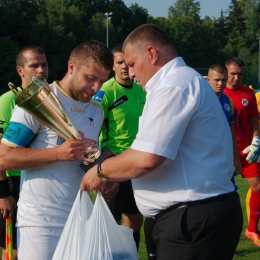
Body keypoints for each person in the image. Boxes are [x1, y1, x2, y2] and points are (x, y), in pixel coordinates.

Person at [80, 24, 243, 260]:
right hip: (190, 218)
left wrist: (101, 171)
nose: (132, 73)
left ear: (152, 54)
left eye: (133, 64)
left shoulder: (174, 85)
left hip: (194, 219)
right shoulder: (178, 82)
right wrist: (117, 174)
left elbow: (147, 158)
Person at [0, 40, 118, 260]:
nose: (96, 88)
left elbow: (86, 158)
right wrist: (57, 154)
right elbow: (3, 157)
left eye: (102, 81)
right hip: (39, 223)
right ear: (71, 67)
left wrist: (106, 178)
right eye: (91, 78)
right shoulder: (40, 100)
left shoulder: (96, 109)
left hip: (80, 219)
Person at [93, 42, 145, 250]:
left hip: (138, 164)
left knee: (135, 218)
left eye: (127, 62)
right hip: (113, 163)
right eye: (119, 62)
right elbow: (93, 129)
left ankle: (129, 253)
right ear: (112, 66)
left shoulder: (142, 90)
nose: (124, 66)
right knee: (111, 221)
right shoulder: (105, 92)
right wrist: (100, 166)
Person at [0, 45, 48, 260]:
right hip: (13, 183)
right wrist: (3, 193)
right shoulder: (7, 101)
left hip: (42, 181)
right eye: (34, 66)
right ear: (20, 70)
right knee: (14, 250)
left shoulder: (50, 99)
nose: (41, 70)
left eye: (44, 65)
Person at [224, 57, 260, 247]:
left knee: (258, 187)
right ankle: (223, 239)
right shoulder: (217, 93)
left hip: (247, 150)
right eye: (233, 74)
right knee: (225, 195)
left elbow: (254, 119)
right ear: (226, 72)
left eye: (240, 74)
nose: (237, 78)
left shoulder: (249, 93)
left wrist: (256, 140)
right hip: (226, 151)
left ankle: (252, 229)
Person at [206, 63, 242, 179]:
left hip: (223, 156)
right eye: (216, 80)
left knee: (227, 189)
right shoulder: (200, 101)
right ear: (208, 80)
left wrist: (236, 158)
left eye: (223, 80)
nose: (220, 84)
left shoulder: (228, 102)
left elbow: (231, 132)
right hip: (204, 156)